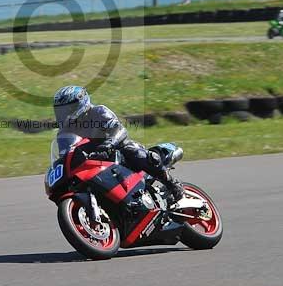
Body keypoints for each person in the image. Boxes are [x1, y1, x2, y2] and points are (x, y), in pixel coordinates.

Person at [52, 85, 185, 204]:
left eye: (67, 110)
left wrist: (109, 144)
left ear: (80, 104)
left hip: (115, 151)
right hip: (92, 164)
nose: (64, 115)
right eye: (61, 112)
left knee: (131, 150)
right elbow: (65, 156)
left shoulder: (99, 112)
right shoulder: (64, 133)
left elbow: (119, 130)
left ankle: (172, 184)